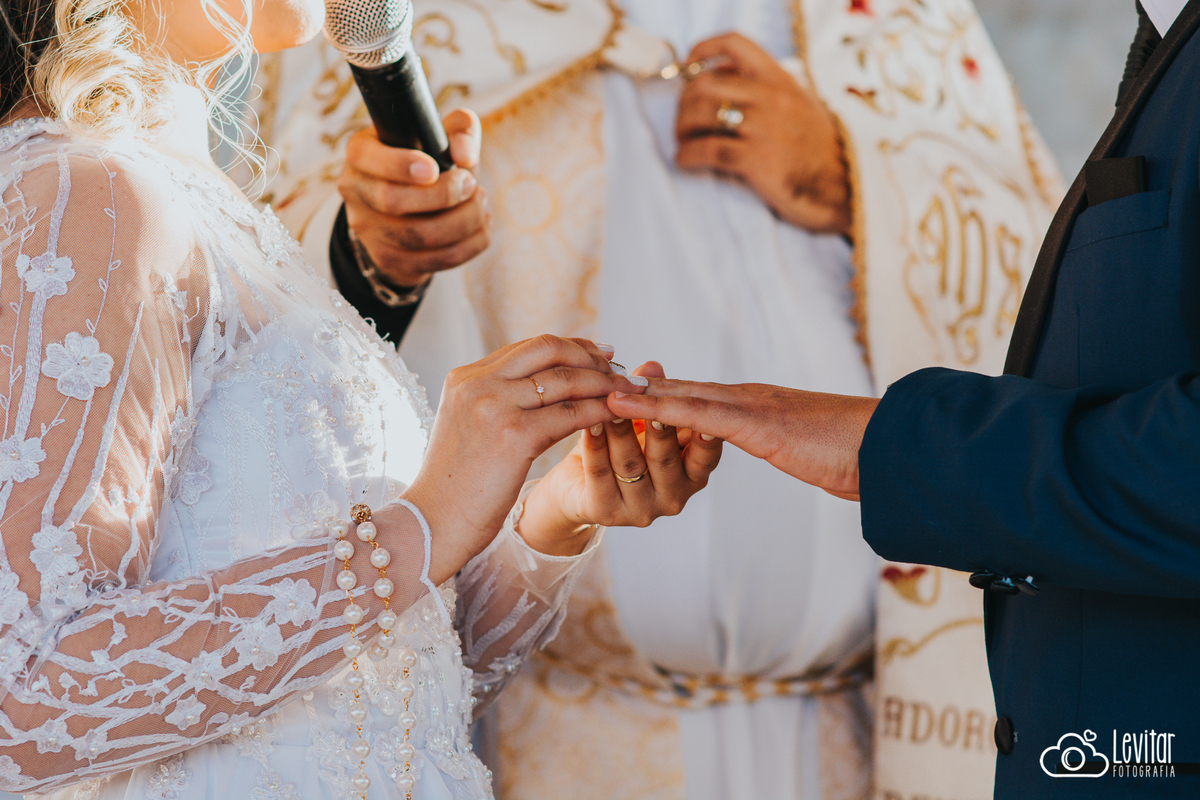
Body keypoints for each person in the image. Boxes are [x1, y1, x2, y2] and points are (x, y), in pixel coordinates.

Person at [255, 0, 1063, 797]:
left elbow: (1048, 267)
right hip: (560, 742)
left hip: (861, 736)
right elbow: (260, 295)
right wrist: (376, 250)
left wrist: (849, 172)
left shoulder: (893, 17)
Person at [0, 0, 724, 795]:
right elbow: (23, 698)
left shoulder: (211, 205)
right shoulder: (87, 196)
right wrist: (424, 527)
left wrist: (549, 514)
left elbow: (379, 696)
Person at [607, 1, 1200, 797]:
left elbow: (1029, 283)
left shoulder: (909, 21)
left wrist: (855, 174)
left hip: (876, 730)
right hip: (581, 724)